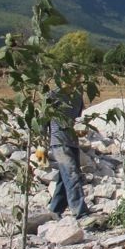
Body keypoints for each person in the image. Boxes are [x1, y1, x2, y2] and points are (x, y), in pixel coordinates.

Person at [45, 83, 90, 218]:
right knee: (72, 175)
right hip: (58, 141)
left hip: (72, 141)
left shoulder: (78, 95)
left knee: (65, 176)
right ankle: (80, 213)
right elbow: (43, 119)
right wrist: (41, 144)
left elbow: (77, 118)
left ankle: (55, 210)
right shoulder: (54, 94)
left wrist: (81, 128)